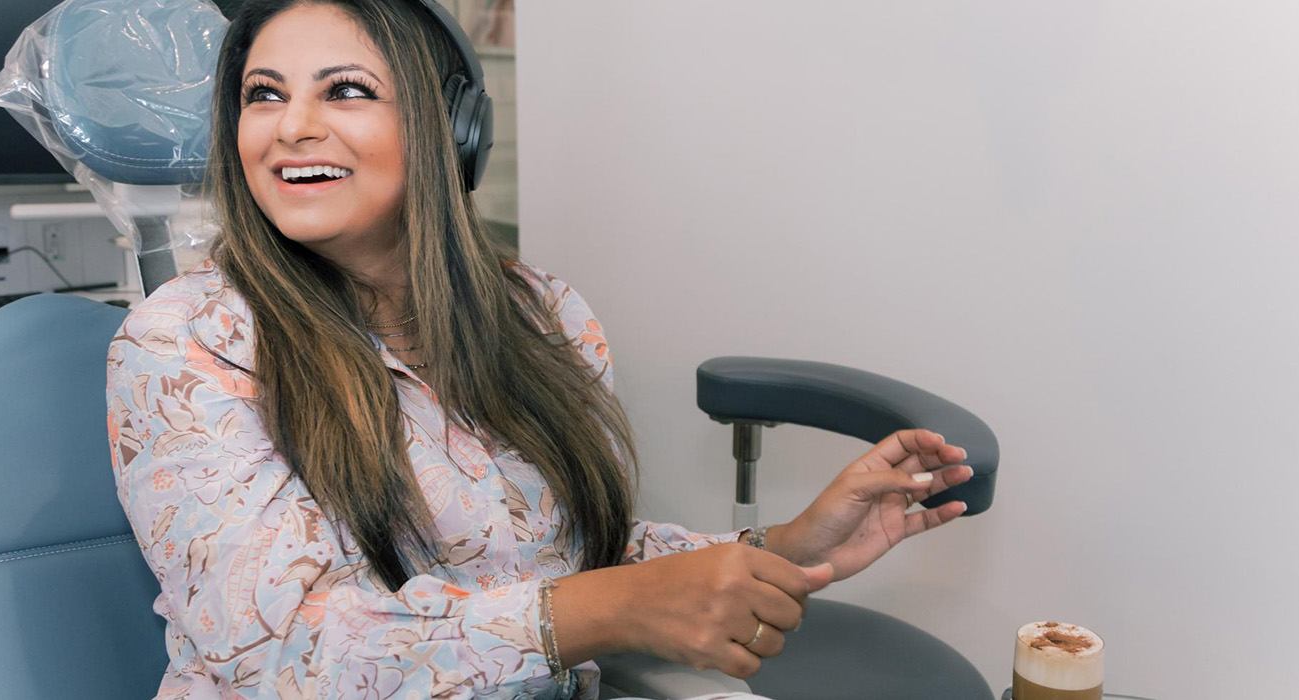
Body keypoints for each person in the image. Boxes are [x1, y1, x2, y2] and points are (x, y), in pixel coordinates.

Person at [104, 1, 975, 698]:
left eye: (345, 90)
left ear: (454, 129)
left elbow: (563, 555)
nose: (291, 126)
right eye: (263, 94)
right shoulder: (182, 344)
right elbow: (283, 661)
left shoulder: (540, 311)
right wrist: (594, 614)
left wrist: (781, 545)